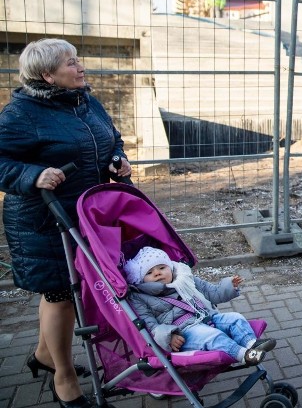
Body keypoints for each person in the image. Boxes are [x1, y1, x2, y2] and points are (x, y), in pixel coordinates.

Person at [0, 38, 131, 408]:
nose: (81, 67)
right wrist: (33, 175)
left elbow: (111, 138)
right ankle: (64, 378)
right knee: (60, 296)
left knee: (74, 293)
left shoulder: (86, 101)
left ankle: (44, 356)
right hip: (45, 220)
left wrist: (117, 159)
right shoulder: (20, 114)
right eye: (71, 63)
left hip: (87, 215)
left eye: (77, 60)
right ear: (47, 75)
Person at [123, 246, 276, 365]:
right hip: (185, 332)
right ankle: (243, 354)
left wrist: (229, 286)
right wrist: (169, 336)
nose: (157, 273)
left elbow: (212, 292)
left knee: (234, 317)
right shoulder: (140, 298)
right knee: (213, 336)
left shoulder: (185, 280)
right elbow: (150, 326)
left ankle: (251, 343)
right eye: (150, 272)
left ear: (170, 267)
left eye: (162, 268)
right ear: (141, 279)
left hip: (207, 317)